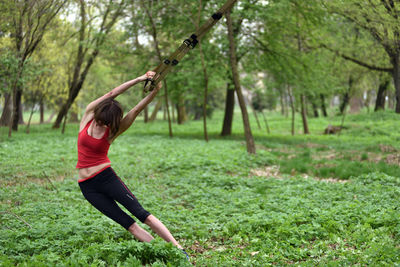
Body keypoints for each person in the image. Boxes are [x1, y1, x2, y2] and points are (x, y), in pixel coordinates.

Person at [76, 71, 188, 258]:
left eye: (104, 122)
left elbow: (135, 111)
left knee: (141, 213)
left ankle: (178, 249)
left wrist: (154, 92)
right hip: (87, 187)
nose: (99, 123)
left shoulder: (112, 130)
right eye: (99, 119)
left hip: (106, 178)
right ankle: (166, 254)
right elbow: (112, 94)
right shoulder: (88, 115)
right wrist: (139, 79)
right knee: (129, 225)